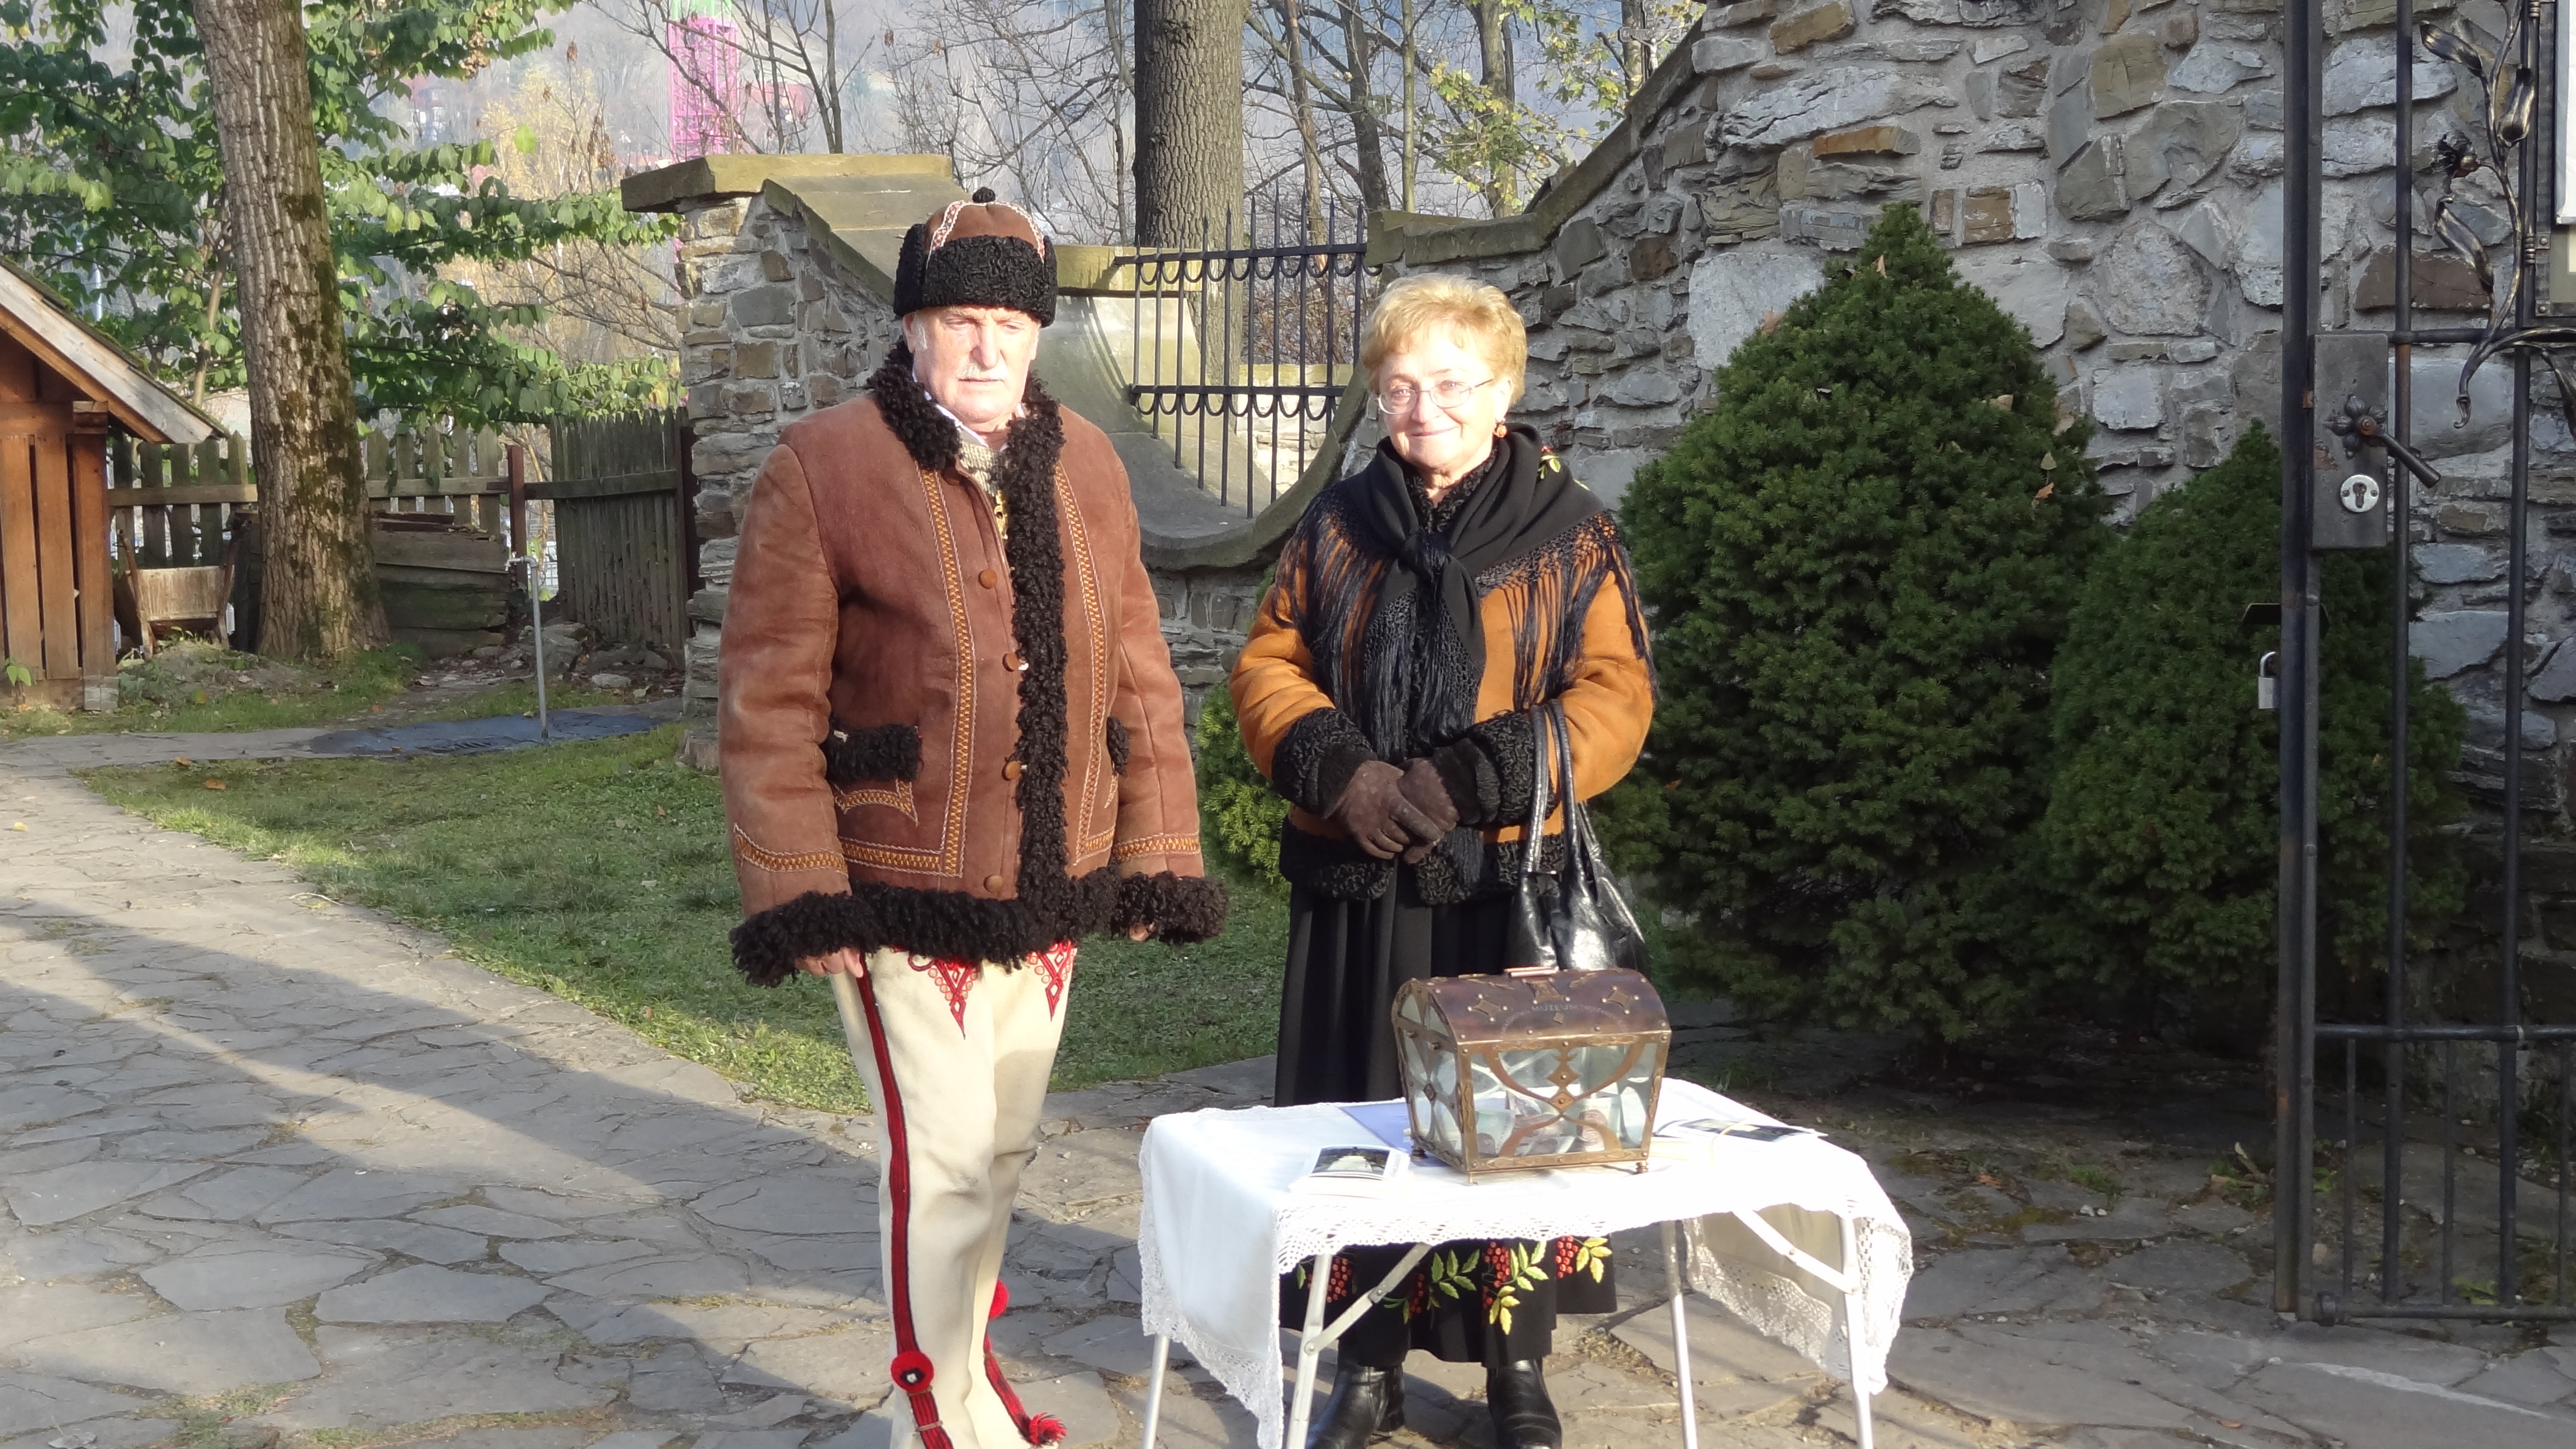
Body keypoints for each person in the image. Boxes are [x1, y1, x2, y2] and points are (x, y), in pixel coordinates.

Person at [718, 191, 1228, 1449]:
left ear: (1039, 332)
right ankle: (936, 1417)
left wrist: (1158, 855)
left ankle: (972, 1378)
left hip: (1052, 874)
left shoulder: (1089, 461)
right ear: (912, 328)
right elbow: (769, 701)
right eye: (960, 320)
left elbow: (1139, 671)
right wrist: (802, 888)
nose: (988, 347)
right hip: (898, 876)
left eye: (1011, 322)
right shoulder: (823, 465)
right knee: (941, 1164)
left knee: (999, 1155)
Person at [1229, 273, 1655, 1449]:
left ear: (1504, 391)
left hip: (1500, 884)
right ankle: (1363, 1365)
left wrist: (1472, 780)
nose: (1426, 409)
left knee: (1510, 1132)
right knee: (1362, 1126)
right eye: (1401, 386)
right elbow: (1268, 665)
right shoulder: (1336, 524)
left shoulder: (1572, 531)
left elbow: (1616, 695)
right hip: (1361, 883)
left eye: (1453, 384)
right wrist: (1346, 776)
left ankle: (1517, 1372)